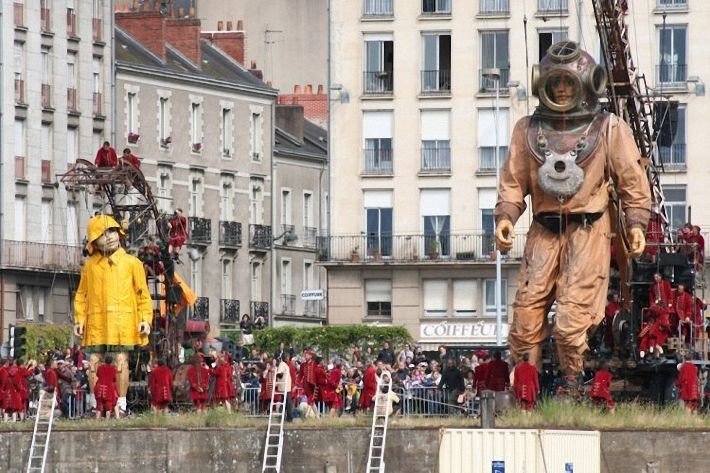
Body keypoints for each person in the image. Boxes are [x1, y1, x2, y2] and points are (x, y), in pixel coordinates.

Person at [495, 41, 651, 387]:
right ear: (543, 86)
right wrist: (505, 217)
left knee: (571, 320)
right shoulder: (527, 130)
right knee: (524, 318)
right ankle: (526, 391)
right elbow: (513, 181)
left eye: (569, 83)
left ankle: (572, 384)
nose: (563, 90)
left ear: (586, 84)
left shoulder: (608, 128)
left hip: (588, 228)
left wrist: (636, 223)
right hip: (543, 229)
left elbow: (631, 181)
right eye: (556, 84)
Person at [73, 215, 153, 415]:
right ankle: (95, 404)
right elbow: (81, 295)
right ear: (93, 241)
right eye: (101, 234)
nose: (108, 237)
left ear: (119, 233)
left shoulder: (132, 263)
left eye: (111, 231)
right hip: (97, 320)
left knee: (121, 360)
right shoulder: (89, 266)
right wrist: (80, 319)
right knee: (93, 362)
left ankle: (122, 404)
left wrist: (145, 319)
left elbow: (143, 294)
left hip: (122, 321)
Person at [639, 273, 673, 359]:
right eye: (654, 277)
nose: (656, 278)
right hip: (656, 308)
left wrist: (669, 304)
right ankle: (649, 347)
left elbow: (670, 295)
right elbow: (651, 299)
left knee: (663, 327)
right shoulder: (653, 287)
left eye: (657, 277)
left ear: (661, 277)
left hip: (665, 308)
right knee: (652, 329)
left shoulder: (666, 283)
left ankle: (656, 345)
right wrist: (653, 305)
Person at [275, 354, 293, 422]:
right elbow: (279, 373)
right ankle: (289, 418)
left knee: (285, 403)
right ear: (285, 358)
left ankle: (281, 417)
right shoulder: (282, 364)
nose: (288, 358)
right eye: (288, 357)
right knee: (288, 403)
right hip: (284, 387)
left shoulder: (284, 364)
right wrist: (280, 380)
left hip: (286, 387)